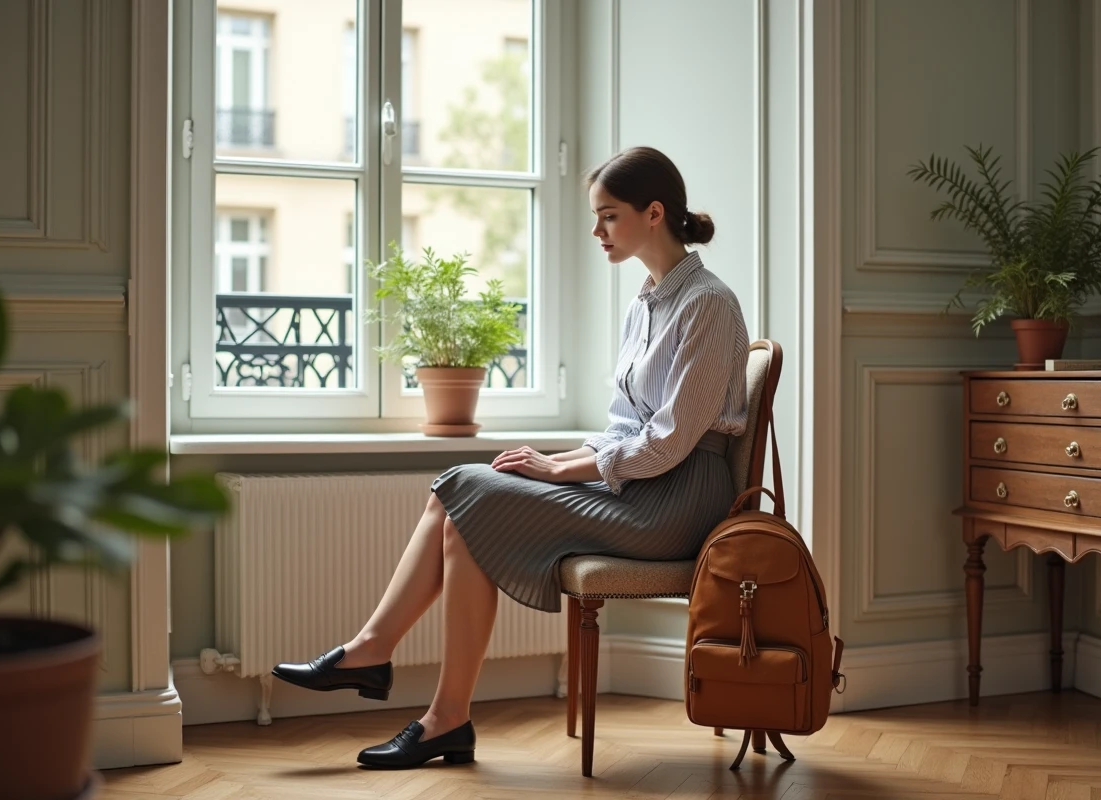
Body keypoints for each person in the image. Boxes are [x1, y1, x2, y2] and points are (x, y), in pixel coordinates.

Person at [271, 145, 751, 769]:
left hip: (679, 500)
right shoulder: (645, 303)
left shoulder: (707, 302)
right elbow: (624, 428)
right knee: (467, 502)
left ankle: (375, 657)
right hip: (639, 484)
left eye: (608, 216)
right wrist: (562, 458)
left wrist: (559, 468)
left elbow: (670, 441)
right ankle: (438, 712)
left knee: (463, 488)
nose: (596, 230)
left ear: (653, 213)